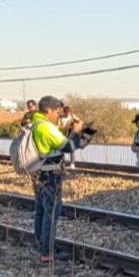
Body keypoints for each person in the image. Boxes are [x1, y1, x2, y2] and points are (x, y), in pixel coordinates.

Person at [30, 95, 92, 264]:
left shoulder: (35, 123)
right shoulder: (46, 128)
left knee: (41, 212)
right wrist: (77, 132)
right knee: (50, 214)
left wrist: (84, 134)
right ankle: (46, 252)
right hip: (50, 175)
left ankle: (42, 246)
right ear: (48, 110)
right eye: (56, 111)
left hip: (39, 174)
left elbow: (64, 144)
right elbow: (68, 147)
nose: (59, 114)